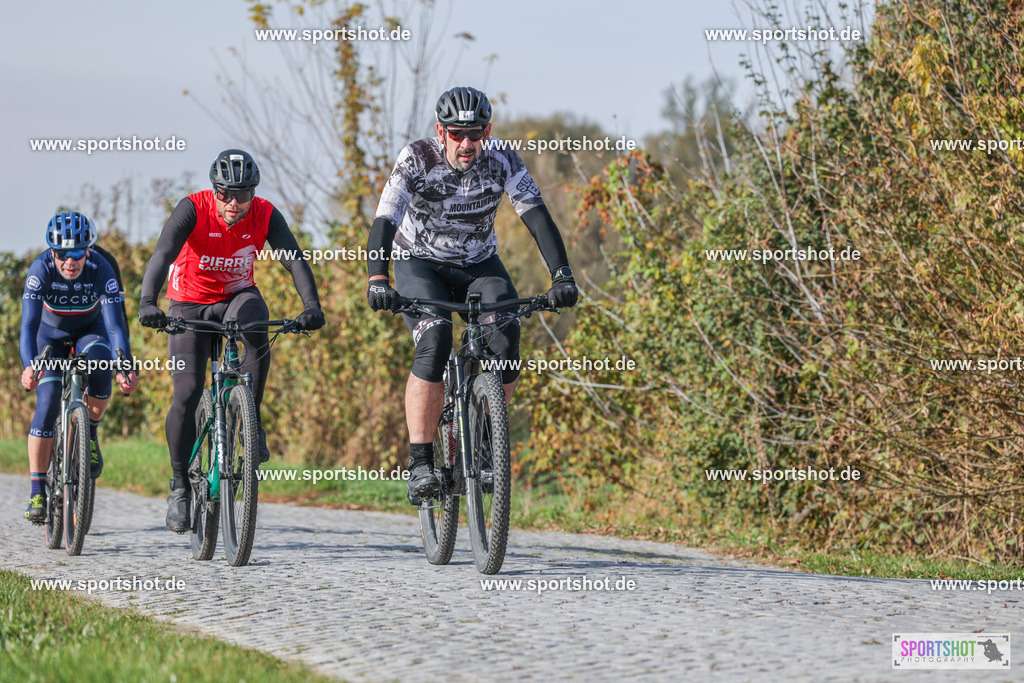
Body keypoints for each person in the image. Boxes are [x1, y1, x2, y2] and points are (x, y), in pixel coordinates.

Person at [366, 86, 579, 503]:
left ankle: (485, 438)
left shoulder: (503, 159)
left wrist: (562, 276)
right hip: (419, 262)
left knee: (506, 336)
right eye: (457, 134)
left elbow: (537, 216)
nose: (467, 143)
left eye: (475, 133)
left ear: (488, 131)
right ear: (441, 132)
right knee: (435, 340)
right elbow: (385, 220)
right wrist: (377, 278)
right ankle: (421, 461)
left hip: (478, 264)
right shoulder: (417, 158)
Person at [138, 149, 325, 533]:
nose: (233, 202)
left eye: (242, 194)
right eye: (225, 193)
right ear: (215, 191)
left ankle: (250, 417)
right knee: (187, 392)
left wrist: (311, 306)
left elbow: (293, 259)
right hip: (188, 303)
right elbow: (163, 253)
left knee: (256, 319)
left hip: (236, 297)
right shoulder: (192, 208)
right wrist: (147, 302)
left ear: (253, 193)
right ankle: (179, 487)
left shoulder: (265, 214)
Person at [19, 211, 138, 522]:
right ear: (52, 252)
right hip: (49, 336)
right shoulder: (40, 269)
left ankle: (91, 433)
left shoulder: (101, 268)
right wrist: (30, 366)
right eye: (62, 254)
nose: (70, 262)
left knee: (100, 363)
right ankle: (37, 491)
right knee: (47, 401)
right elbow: (28, 326)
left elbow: (116, 327)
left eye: (77, 253)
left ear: (88, 250)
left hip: (90, 330)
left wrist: (124, 365)